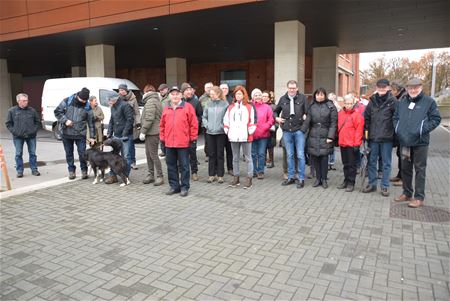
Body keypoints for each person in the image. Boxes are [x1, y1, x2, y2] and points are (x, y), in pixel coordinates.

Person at [393, 77, 441, 208]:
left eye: (416, 87)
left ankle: (419, 197)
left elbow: (436, 119)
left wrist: (421, 130)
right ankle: (407, 193)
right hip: (405, 142)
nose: (413, 90)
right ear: (407, 89)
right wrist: (398, 129)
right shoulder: (402, 102)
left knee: (420, 170)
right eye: (410, 88)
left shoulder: (429, 102)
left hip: (420, 143)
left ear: (421, 88)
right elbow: (395, 117)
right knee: (405, 169)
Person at [160, 86, 198, 197]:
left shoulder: (188, 107)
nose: (175, 96)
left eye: (177, 94)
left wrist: (193, 139)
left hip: (183, 143)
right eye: (173, 94)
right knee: (171, 165)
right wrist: (163, 138)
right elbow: (162, 125)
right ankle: (174, 186)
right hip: (169, 143)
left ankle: (185, 187)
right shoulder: (166, 108)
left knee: (184, 166)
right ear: (170, 96)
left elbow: (194, 124)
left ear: (181, 95)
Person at [362, 79, 396, 197]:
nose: (381, 89)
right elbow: (366, 117)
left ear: (388, 88)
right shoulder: (372, 101)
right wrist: (366, 132)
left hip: (387, 138)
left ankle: (385, 186)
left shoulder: (392, 101)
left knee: (386, 163)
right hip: (373, 138)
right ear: (376, 87)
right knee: (371, 162)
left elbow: (396, 119)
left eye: (384, 87)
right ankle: (372, 184)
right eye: (379, 87)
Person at [274, 80, 308, 189]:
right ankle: (291, 177)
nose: (292, 90)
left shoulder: (303, 98)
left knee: (300, 155)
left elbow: (308, 113)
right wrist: (277, 118)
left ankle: (301, 178)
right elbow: (275, 111)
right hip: (287, 131)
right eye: (290, 88)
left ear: (297, 88)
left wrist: (303, 128)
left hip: (299, 131)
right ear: (287, 88)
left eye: (294, 88)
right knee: (289, 155)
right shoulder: (283, 99)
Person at [54, 87, 95, 180]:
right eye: (82, 99)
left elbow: (91, 123)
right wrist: (65, 120)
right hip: (66, 133)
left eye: (85, 100)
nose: (83, 101)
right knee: (69, 153)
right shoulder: (67, 100)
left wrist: (92, 137)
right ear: (78, 96)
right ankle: (71, 171)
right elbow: (57, 112)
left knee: (82, 154)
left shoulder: (87, 106)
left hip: (80, 134)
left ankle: (84, 170)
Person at [301, 88, 337, 188]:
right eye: (317, 94)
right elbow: (308, 120)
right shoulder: (311, 106)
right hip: (314, 134)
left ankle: (324, 179)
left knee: (324, 158)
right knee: (315, 157)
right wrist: (301, 131)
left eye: (321, 95)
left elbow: (333, 123)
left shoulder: (330, 106)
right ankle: (318, 178)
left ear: (325, 95)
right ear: (315, 95)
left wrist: (330, 136)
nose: (319, 97)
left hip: (325, 134)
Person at [223, 86, 256, 189]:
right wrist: (227, 131)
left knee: (248, 157)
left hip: (246, 136)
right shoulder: (230, 107)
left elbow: (253, 121)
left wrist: (250, 131)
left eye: (240, 94)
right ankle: (236, 178)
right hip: (234, 136)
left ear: (244, 95)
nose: (238, 96)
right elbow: (226, 120)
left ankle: (249, 178)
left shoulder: (249, 107)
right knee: (235, 157)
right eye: (236, 94)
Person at [6, 93, 41, 178]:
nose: (26, 102)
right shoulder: (12, 111)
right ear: (18, 101)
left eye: (27, 100)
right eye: (24, 100)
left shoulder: (32, 110)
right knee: (18, 154)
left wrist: (34, 131)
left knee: (32, 153)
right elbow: (8, 123)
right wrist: (15, 132)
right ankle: (20, 171)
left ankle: (34, 169)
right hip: (18, 137)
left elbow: (38, 122)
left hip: (31, 136)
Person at [336, 94, 364, 192]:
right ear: (344, 103)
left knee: (352, 165)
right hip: (343, 142)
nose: (348, 105)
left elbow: (359, 130)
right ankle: (346, 180)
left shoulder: (357, 115)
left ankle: (351, 182)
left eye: (350, 103)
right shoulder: (340, 114)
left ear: (353, 104)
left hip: (352, 144)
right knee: (345, 164)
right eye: (347, 103)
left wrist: (357, 144)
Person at [105, 94, 134, 184]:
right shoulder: (113, 107)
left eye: (109, 100)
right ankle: (113, 176)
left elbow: (130, 120)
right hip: (116, 135)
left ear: (114, 99)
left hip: (125, 136)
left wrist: (124, 133)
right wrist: (109, 132)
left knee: (126, 157)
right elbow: (111, 120)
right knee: (114, 156)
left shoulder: (125, 105)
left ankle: (125, 176)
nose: (108, 102)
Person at [202, 86, 229, 184]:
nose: (211, 95)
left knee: (220, 154)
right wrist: (207, 125)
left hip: (221, 133)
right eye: (210, 94)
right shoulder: (208, 104)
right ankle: (211, 175)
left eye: (213, 94)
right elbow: (204, 117)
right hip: (210, 132)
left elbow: (227, 117)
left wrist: (222, 126)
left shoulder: (225, 104)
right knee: (211, 154)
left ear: (218, 94)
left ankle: (220, 175)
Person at [139, 84, 164, 186]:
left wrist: (143, 131)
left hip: (152, 132)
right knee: (149, 154)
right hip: (152, 132)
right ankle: (151, 175)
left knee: (152, 155)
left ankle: (159, 176)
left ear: (146, 92)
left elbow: (149, 118)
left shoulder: (151, 101)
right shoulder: (155, 100)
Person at [181, 82, 202, 181]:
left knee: (192, 153)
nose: (189, 91)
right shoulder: (179, 102)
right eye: (187, 90)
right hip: (181, 132)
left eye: (190, 89)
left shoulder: (196, 102)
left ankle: (194, 172)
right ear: (183, 92)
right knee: (182, 154)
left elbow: (200, 115)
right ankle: (183, 172)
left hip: (191, 132)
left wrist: (195, 123)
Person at [251, 88, 274, 179]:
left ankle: (260, 171)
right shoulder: (249, 106)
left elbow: (271, 119)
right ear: (252, 96)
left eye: (259, 95)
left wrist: (265, 127)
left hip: (264, 135)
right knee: (253, 154)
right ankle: (253, 171)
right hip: (252, 134)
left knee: (261, 154)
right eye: (255, 95)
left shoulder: (267, 107)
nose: (258, 97)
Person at [118, 84, 140, 170]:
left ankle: (133, 162)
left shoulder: (133, 98)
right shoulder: (118, 99)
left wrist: (138, 123)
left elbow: (137, 112)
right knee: (122, 144)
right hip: (121, 125)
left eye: (123, 90)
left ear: (126, 90)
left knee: (130, 144)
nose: (121, 92)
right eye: (120, 90)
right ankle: (125, 162)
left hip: (131, 124)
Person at [389, 81, 407, 187]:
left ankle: (404, 179)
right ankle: (400, 175)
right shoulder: (400, 97)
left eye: (392, 90)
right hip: (400, 132)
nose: (391, 93)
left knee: (404, 156)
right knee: (400, 154)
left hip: (404, 132)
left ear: (397, 90)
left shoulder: (403, 98)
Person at [220, 83, 234, 175]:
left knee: (230, 151)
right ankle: (220, 169)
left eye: (226, 88)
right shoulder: (217, 99)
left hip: (230, 129)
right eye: (223, 88)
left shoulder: (232, 100)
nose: (225, 90)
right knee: (220, 151)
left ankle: (230, 168)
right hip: (220, 129)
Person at [199, 82, 214, 162]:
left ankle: (214, 153)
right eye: (207, 87)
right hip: (205, 123)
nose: (209, 89)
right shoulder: (201, 98)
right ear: (205, 89)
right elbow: (199, 111)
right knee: (207, 140)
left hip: (215, 122)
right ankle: (208, 154)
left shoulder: (216, 96)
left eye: (210, 87)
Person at [262, 90, 277, 168]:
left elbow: (274, 118)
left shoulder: (273, 106)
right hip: (262, 129)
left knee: (270, 146)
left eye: (266, 96)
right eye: (263, 96)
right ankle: (263, 161)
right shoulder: (260, 105)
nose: (264, 98)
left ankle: (271, 161)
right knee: (263, 146)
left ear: (269, 98)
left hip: (270, 129)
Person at [157, 83, 170, 157]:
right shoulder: (159, 97)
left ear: (166, 89)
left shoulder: (170, 97)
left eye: (162, 90)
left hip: (168, 119)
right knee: (161, 136)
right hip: (160, 119)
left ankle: (168, 150)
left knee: (167, 136)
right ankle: (163, 150)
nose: (161, 91)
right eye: (160, 90)